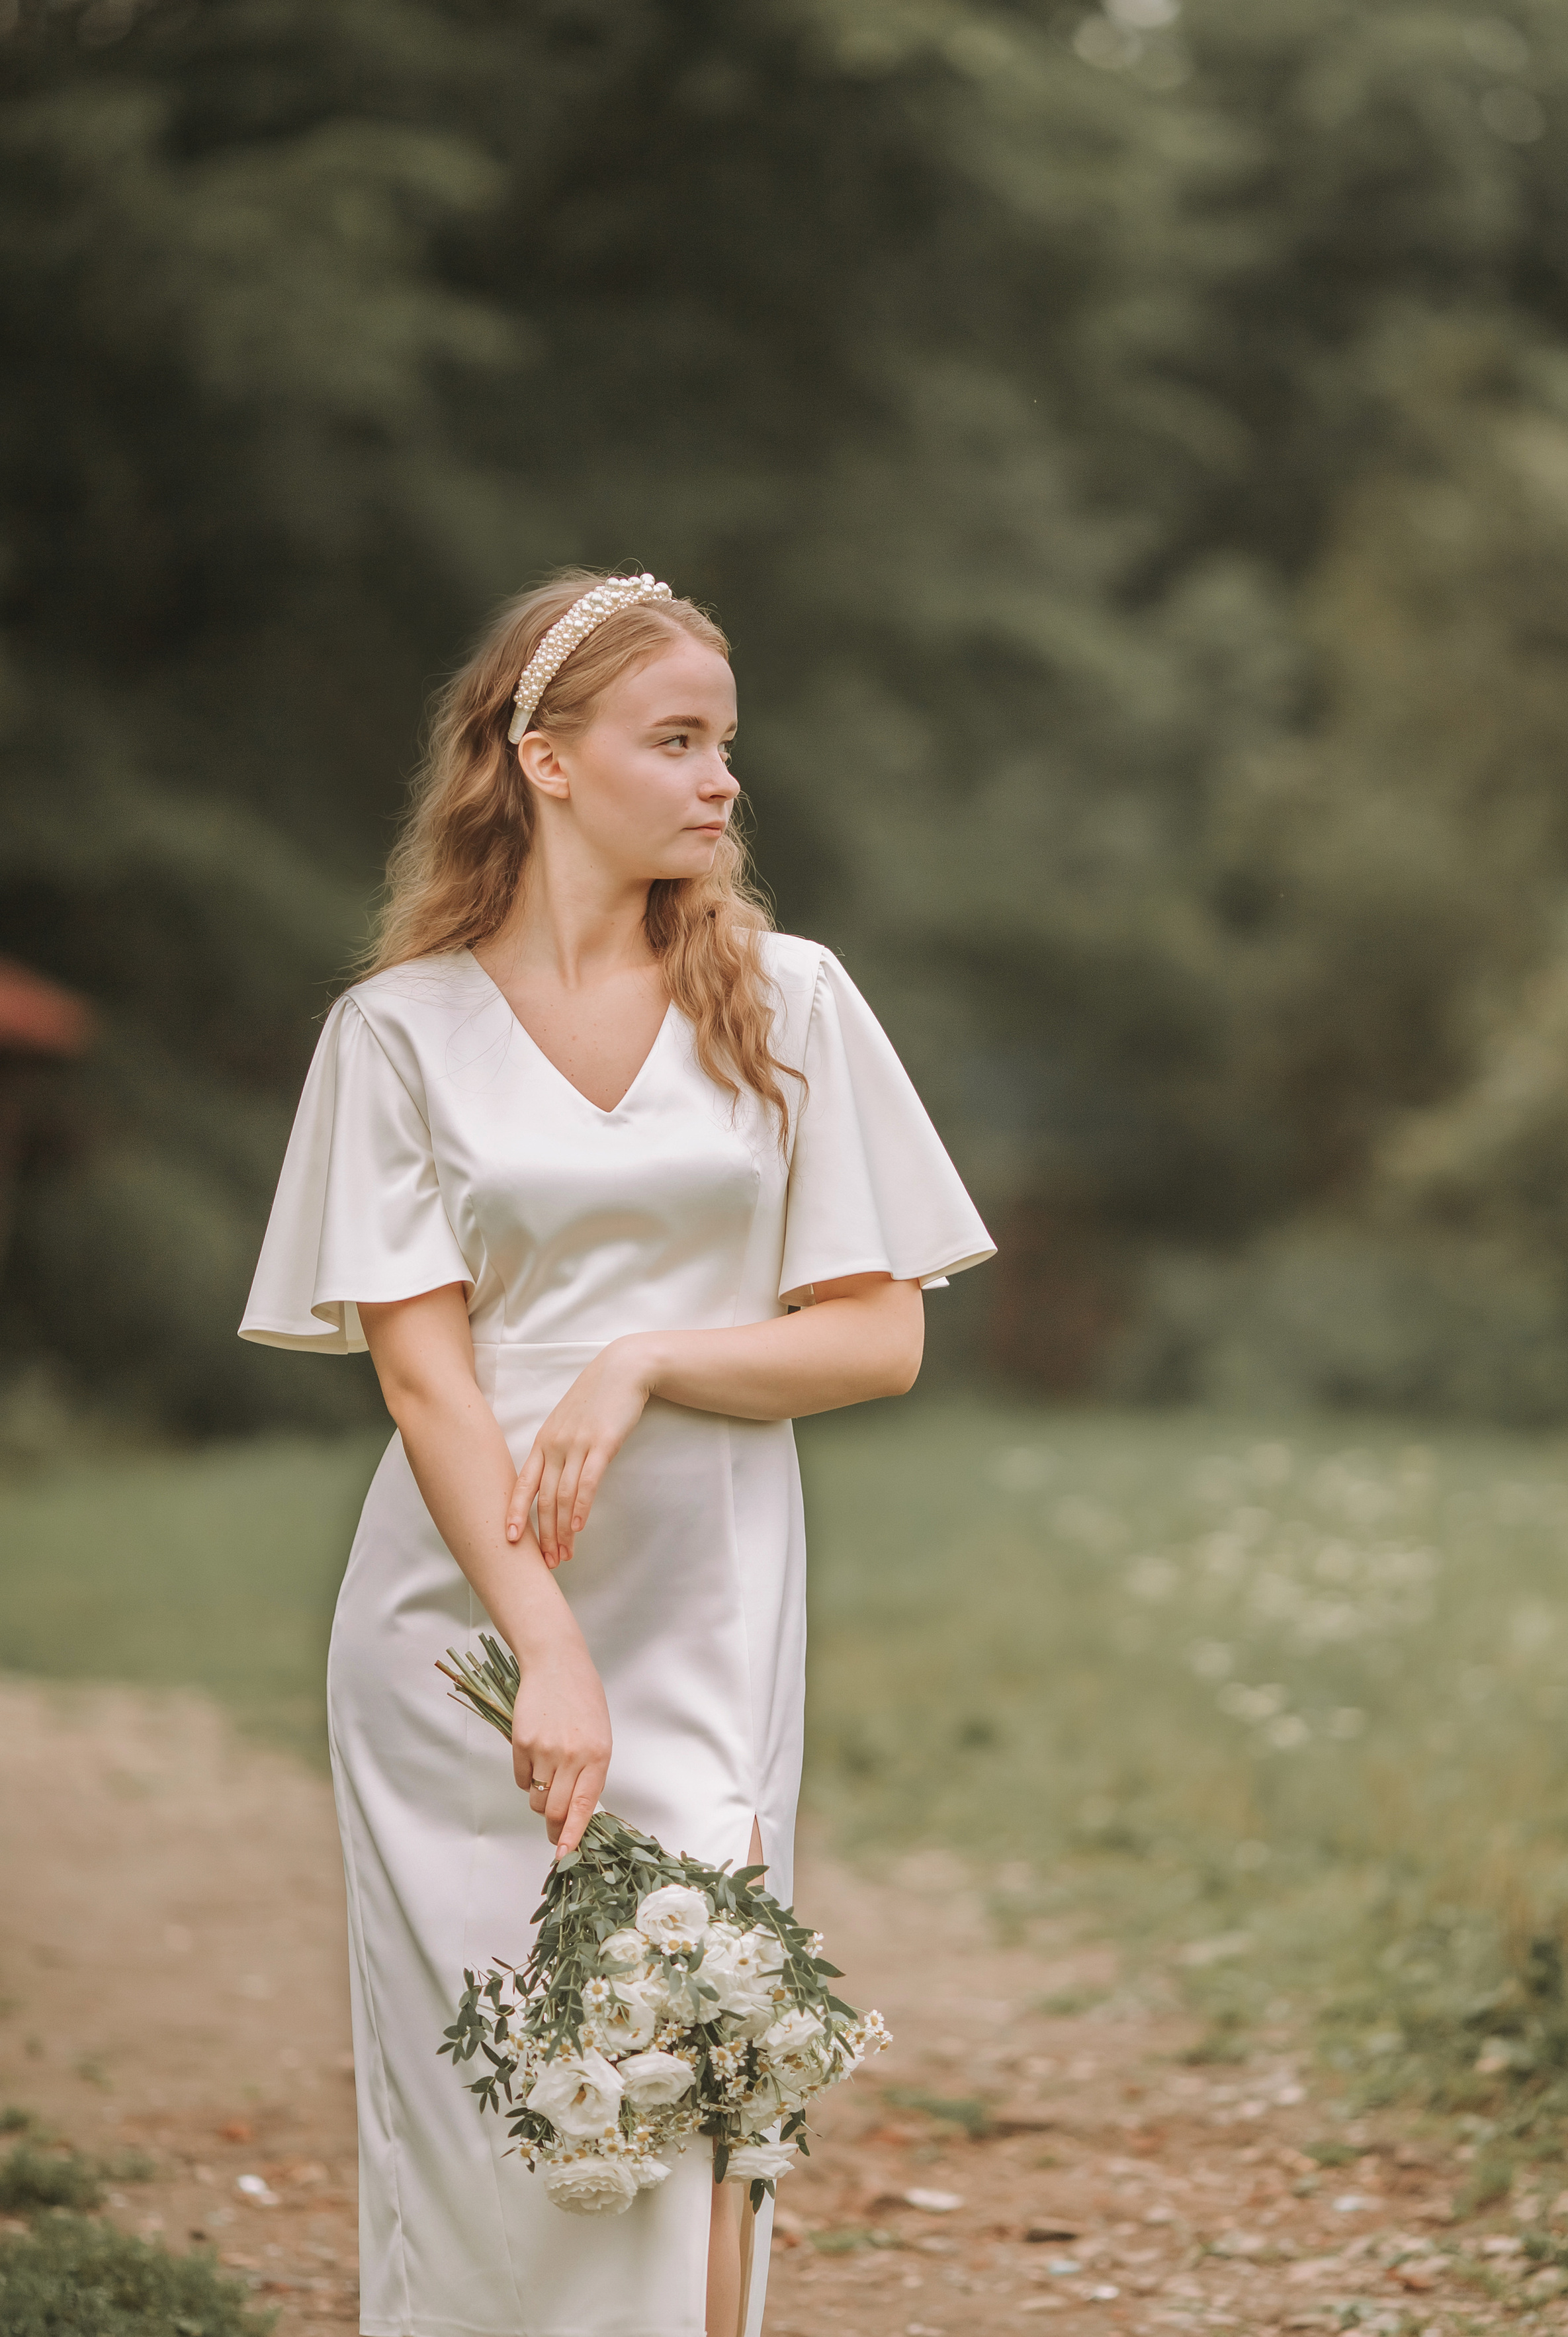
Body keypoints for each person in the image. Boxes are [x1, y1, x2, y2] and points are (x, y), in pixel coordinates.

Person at [239, 568, 994, 2337]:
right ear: (547, 759)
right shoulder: (399, 1034)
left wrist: (648, 1357)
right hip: (462, 1621)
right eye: (678, 740)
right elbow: (428, 1385)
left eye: (728, 742)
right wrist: (545, 1646)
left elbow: (880, 1336)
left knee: (705, 2054)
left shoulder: (790, 999)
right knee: (487, 2082)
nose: (724, 779)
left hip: (711, 1598)